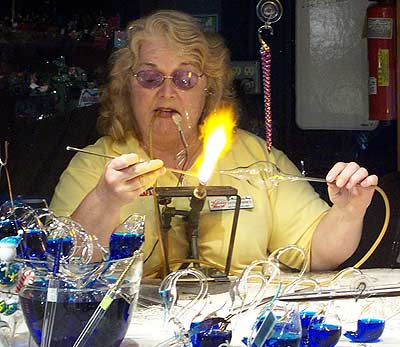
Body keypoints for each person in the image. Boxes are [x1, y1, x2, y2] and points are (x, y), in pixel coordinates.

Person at [50, 10, 378, 277]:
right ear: (127, 87)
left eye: (185, 78)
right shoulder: (96, 163)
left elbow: (318, 251)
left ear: (209, 89)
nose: (167, 93)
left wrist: (349, 212)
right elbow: (59, 263)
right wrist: (104, 199)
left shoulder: (254, 158)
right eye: (150, 78)